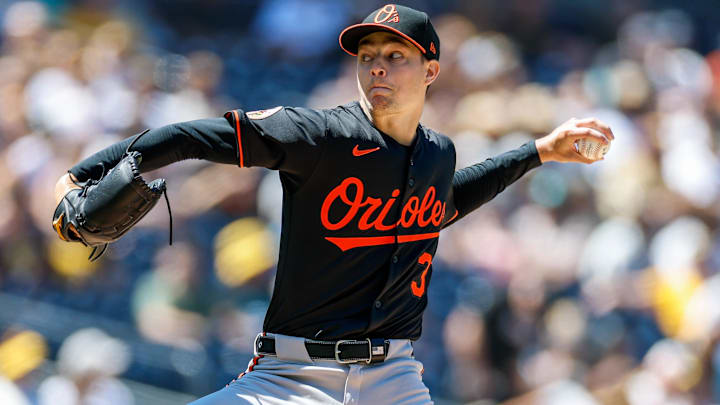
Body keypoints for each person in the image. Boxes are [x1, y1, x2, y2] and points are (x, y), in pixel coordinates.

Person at [53, 4, 614, 404]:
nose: (377, 67)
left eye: (396, 56)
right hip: (290, 377)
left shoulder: (437, 154)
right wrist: (80, 175)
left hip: (395, 378)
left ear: (431, 72)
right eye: (368, 55)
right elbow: (186, 136)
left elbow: (440, 205)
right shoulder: (318, 135)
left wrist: (538, 152)